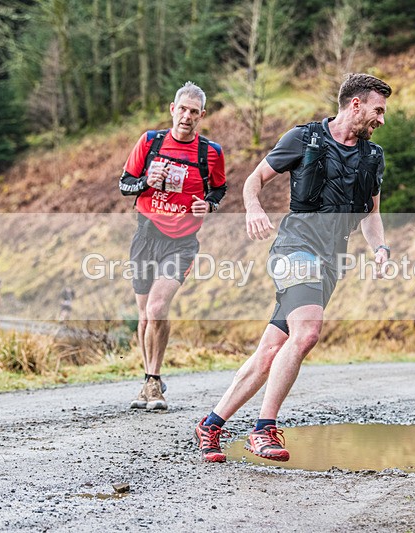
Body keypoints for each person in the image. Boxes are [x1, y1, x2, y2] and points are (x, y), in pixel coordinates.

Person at [194, 73, 392, 462]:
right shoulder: (303, 138)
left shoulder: (373, 156)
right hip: (295, 248)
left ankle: (211, 425)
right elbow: (254, 179)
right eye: (378, 110)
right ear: (356, 104)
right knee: (307, 332)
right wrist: (253, 208)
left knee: (271, 349)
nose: (382, 120)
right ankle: (263, 429)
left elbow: (371, 213)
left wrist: (380, 248)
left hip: (331, 261)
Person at [118, 81, 226, 411]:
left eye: (194, 112)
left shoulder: (210, 152)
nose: (187, 116)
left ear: (202, 115)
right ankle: (149, 380)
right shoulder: (150, 142)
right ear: (172, 109)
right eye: (182, 109)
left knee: (156, 308)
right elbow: (125, 184)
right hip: (145, 235)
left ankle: (153, 380)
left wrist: (209, 205)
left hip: (181, 242)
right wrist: (146, 182)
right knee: (143, 314)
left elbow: (219, 190)